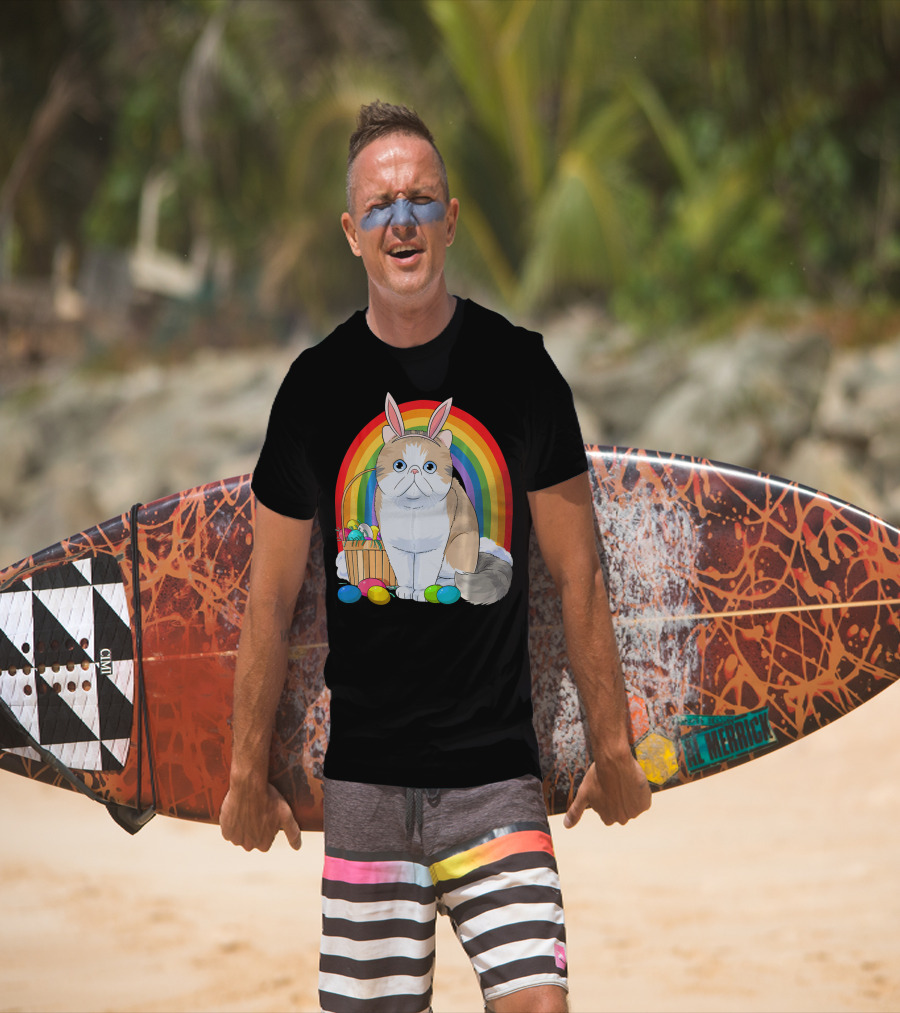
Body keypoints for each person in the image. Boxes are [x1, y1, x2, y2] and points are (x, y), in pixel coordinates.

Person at [220, 100, 651, 1013]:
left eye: (421, 200)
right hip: (367, 786)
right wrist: (242, 773)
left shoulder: (522, 372)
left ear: (451, 219)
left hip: (496, 779)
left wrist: (612, 746)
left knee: (540, 1003)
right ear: (351, 233)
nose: (402, 220)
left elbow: (579, 575)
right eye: (380, 206)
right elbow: (268, 602)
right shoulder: (313, 390)